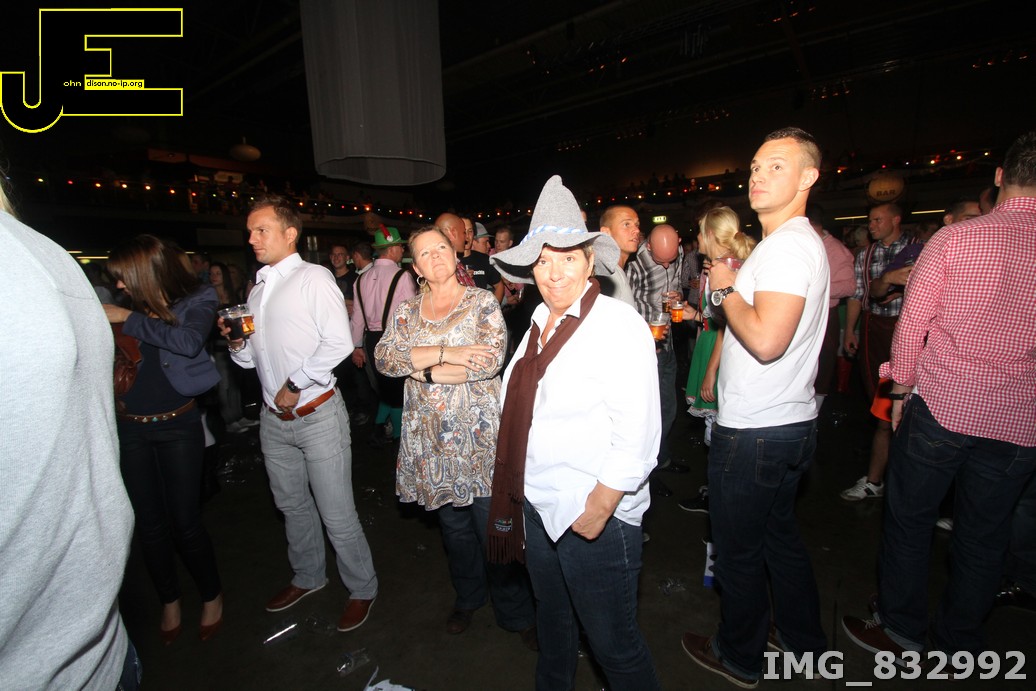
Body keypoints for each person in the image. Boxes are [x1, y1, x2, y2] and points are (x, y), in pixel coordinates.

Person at [842, 130, 1036, 661]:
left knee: (910, 520)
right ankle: (960, 644)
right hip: (1020, 419)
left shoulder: (955, 240)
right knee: (985, 535)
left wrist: (898, 390)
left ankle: (901, 628)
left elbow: (912, 327)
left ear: (999, 176)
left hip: (944, 406)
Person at [489, 176, 662, 691]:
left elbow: (639, 430)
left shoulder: (616, 325)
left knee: (613, 645)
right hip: (539, 507)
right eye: (543, 261)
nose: (554, 272)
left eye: (567, 258)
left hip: (592, 516)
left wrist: (602, 505)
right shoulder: (537, 325)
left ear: (590, 262)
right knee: (554, 622)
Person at [681, 127, 830, 688]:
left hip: (756, 432)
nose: (759, 176)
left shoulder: (788, 246)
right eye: (756, 167)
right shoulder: (787, 244)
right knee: (778, 541)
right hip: (785, 423)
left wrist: (724, 290)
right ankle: (801, 639)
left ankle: (739, 656)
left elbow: (766, 341)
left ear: (808, 177)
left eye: (776, 166)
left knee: (739, 553)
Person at [1, 182, 139, 689]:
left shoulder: (29, 263)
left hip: (65, 652)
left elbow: (189, 353)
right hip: (90, 633)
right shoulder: (45, 256)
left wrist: (132, 319)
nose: (115, 286)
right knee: (160, 525)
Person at [373, 226, 537, 647]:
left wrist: (420, 369)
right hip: (431, 443)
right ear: (415, 267)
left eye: (440, 248)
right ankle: (468, 596)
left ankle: (515, 611)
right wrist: (448, 354)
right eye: (424, 253)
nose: (434, 256)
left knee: (495, 528)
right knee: (455, 530)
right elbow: (386, 359)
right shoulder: (407, 311)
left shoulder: (481, 302)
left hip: (478, 440)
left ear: (455, 253)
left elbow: (488, 363)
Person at [226, 195, 378, 632]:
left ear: (290, 234)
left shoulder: (314, 277)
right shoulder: (257, 291)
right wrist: (236, 343)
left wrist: (295, 384)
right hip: (273, 422)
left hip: (317, 416)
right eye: (250, 232)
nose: (252, 239)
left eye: (261, 230)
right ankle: (309, 576)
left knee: (336, 513)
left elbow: (337, 343)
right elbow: (249, 361)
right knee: (292, 506)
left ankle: (362, 587)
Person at [103, 235, 225, 644]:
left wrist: (126, 318)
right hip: (130, 427)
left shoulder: (197, 298)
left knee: (185, 522)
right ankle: (169, 600)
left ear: (144, 272)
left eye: (124, 277)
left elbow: (188, 342)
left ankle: (211, 595)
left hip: (177, 426)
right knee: (149, 524)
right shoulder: (124, 306)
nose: (119, 285)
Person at [679, 206, 756, 516]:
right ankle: (716, 490)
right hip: (712, 343)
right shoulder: (725, 266)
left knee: (720, 431)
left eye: (699, 233)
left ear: (710, 235)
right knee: (717, 429)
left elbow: (728, 326)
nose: (696, 239)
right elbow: (718, 317)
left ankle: (721, 499)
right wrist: (695, 315)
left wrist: (711, 371)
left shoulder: (725, 271)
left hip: (719, 350)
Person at [840, 202, 916, 501]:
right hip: (877, 331)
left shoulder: (919, 247)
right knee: (882, 402)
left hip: (913, 333)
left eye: (877, 220)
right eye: (870, 220)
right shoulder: (866, 254)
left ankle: (907, 483)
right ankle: (876, 480)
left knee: (912, 410)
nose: (871, 225)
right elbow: (858, 295)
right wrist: (850, 330)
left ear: (896, 219)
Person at [629, 224, 689, 477]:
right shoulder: (634, 262)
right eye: (659, 260)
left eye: (670, 260)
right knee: (649, 413)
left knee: (668, 408)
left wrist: (678, 297)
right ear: (649, 245)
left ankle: (660, 458)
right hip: (646, 346)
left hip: (669, 340)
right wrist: (641, 337)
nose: (666, 265)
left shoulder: (679, 253)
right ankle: (648, 473)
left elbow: (677, 284)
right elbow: (624, 305)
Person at [350, 225, 418, 445]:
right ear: (392, 248)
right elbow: (411, 315)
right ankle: (398, 439)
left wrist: (356, 347)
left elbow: (357, 318)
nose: (403, 250)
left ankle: (378, 429)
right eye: (401, 247)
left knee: (385, 388)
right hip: (394, 339)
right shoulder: (402, 276)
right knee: (397, 391)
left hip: (370, 340)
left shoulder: (361, 279)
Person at [596, 205, 640, 305]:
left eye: (637, 225)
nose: (637, 230)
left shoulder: (615, 272)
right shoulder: (607, 275)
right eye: (627, 224)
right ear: (606, 233)